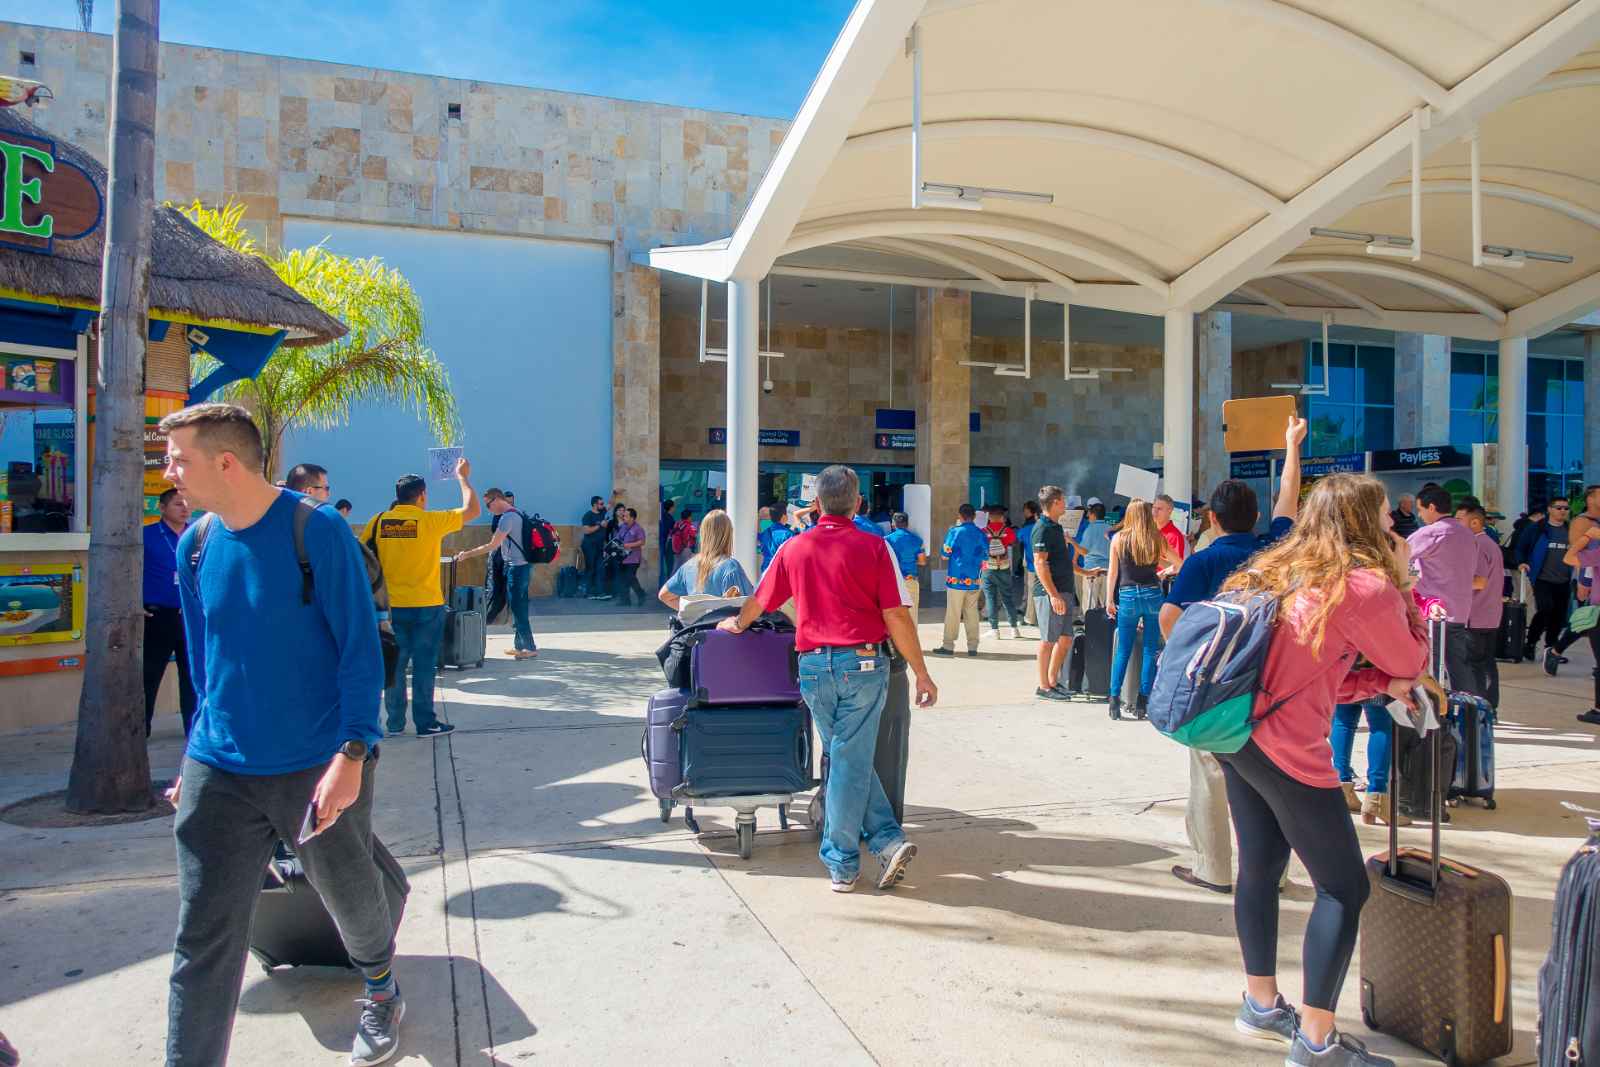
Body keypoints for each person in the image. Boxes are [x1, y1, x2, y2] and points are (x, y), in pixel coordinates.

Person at [157, 403, 404, 1066]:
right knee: (202, 934)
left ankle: (381, 988)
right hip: (221, 768)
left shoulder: (316, 531)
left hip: (315, 762)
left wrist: (353, 751)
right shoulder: (196, 543)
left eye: (178, 457)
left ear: (225, 461)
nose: (168, 471)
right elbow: (205, 662)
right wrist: (193, 754)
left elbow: (360, 649)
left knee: (351, 896)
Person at [1215, 473, 1428, 1067]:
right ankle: (1315, 1041)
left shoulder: (1278, 569)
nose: (1395, 526)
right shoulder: (1364, 585)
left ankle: (1260, 1001)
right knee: (1343, 886)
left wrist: (1376, 683)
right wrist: (1405, 581)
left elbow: (1312, 676)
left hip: (1235, 733)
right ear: (1365, 522)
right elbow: (1411, 657)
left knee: (1259, 865)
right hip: (1289, 749)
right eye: (1387, 516)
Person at [715, 465, 936, 892]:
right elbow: (896, 615)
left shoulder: (794, 547)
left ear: (816, 504)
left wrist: (737, 626)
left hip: (814, 666)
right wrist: (922, 672)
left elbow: (762, 599)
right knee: (849, 759)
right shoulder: (874, 547)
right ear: (857, 503)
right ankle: (850, 858)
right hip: (864, 665)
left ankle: (877, 846)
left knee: (844, 758)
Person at [1161, 414, 1305, 895]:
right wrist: (1291, 445)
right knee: (1271, 780)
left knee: (1210, 774)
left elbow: (1169, 617)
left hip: (1218, 687)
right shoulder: (1275, 549)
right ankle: (1273, 872)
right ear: (1256, 518)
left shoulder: (1203, 562)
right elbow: (1289, 496)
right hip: (1273, 682)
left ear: (1213, 518)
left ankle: (1213, 868)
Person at [362, 465, 480, 737]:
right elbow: (472, 510)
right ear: (422, 496)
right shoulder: (430, 522)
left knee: (394, 665)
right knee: (425, 665)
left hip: (389, 608)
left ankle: (394, 723)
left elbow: (362, 554)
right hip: (427, 605)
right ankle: (426, 723)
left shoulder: (379, 522)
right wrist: (462, 477)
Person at [1407, 484, 1486, 697]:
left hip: (1432, 612)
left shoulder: (1430, 533)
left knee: (1427, 669)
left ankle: (1432, 715)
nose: (1421, 516)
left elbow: (1398, 558)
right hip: (1460, 611)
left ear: (1431, 507)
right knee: (1459, 666)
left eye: (1421, 510)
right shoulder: (1468, 534)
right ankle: (1469, 712)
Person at [1105, 498, 1179, 719]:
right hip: (1152, 595)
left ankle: (1114, 700)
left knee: (1123, 649)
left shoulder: (1118, 538)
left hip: (1127, 595)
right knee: (1149, 649)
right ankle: (1142, 702)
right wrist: (1164, 572)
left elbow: (1113, 573)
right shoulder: (1155, 538)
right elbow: (1181, 563)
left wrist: (1110, 599)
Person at [452, 489, 536, 660]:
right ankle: (519, 646)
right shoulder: (517, 512)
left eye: (488, 505)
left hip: (516, 568)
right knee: (518, 606)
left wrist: (467, 554)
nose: (488, 509)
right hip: (523, 566)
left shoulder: (507, 518)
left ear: (497, 499)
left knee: (518, 608)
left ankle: (529, 646)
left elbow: (492, 545)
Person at [1542, 485, 1600, 726]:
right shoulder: (1583, 522)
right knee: (1583, 622)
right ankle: (1555, 650)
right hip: (1589, 580)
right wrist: (1584, 581)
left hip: (1593, 582)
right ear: (1590, 498)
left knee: (1585, 624)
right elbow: (1579, 556)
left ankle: (1555, 651)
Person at [143, 487, 197, 736]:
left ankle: (193, 728)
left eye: (187, 503)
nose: (184, 508)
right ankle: (141, 727)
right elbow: (127, 572)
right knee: (150, 675)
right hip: (158, 615)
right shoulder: (147, 535)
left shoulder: (198, 534)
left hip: (190, 616)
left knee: (193, 675)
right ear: (162, 508)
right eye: (177, 504)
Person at [1031, 486, 1077, 702]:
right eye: (1063, 500)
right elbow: (1040, 564)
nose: (1066, 504)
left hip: (1065, 591)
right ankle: (1043, 687)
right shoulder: (1042, 528)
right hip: (1050, 593)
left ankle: (1052, 681)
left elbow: (1062, 562)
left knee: (1066, 639)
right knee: (1048, 641)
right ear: (1056, 502)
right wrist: (1053, 595)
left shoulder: (1056, 528)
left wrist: (1086, 571)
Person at [1457, 496, 1503, 707]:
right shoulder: (1490, 544)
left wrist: (1451, 583)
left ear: (1474, 522)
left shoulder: (1477, 544)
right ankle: (1490, 706)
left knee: (1475, 665)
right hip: (1490, 614)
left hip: (1476, 614)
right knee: (1487, 663)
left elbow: (1479, 581)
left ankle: (1480, 707)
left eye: (1459, 520)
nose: (1456, 524)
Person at [658, 509, 754, 610]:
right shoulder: (730, 567)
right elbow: (745, 608)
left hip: (696, 624)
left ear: (703, 533)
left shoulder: (688, 566)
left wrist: (694, 611)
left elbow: (664, 596)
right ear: (728, 535)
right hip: (721, 625)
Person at [1520, 496, 1574, 662]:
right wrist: (1522, 562)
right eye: (1559, 508)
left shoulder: (1570, 529)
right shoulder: (1537, 528)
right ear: (1549, 509)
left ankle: (1551, 648)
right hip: (1542, 578)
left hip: (1564, 580)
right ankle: (1530, 643)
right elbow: (1521, 546)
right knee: (1545, 609)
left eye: (1566, 508)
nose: (1563, 511)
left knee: (1559, 615)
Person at [931, 503, 988, 657]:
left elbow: (945, 554)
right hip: (974, 579)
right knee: (972, 612)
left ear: (960, 516)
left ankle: (948, 646)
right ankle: (973, 647)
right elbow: (985, 556)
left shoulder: (954, 532)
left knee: (953, 613)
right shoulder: (981, 533)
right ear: (974, 517)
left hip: (956, 579)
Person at [980, 504, 1022, 639]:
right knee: (1007, 598)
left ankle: (994, 630)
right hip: (1004, 567)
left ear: (989, 517)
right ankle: (1014, 629)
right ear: (1002, 517)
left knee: (990, 598)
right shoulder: (1008, 530)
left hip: (988, 568)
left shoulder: (983, 531)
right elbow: (1014, 542)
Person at [883, 512, 927, 617]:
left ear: (893, 523)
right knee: (912, 615)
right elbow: (922, 561)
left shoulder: (886, 540)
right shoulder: (917, 540)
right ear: (907, 523)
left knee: (894, 615)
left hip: (893, 581)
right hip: (910, 580)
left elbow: (884, 562)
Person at [1074, 502, 1113, 612]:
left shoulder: (1090, 529)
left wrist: (1071, 541)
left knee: (1089, 605)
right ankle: (1106, 628)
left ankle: (1089, 628)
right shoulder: (1110, 529)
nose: (1087, 516)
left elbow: (1084, 551)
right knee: (1106, 605)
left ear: (1093, 515)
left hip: (1091, 571)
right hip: (1108, 570)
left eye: (1089, 514)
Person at [611, 507, 649, 606]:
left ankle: (641, 594)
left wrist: (628, 545)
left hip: (633, 558)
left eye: (626, 516)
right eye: (623, 515)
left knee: (630, 577)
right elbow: (618, 538)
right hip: (622, 558)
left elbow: (642, 541)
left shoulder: (638, 529)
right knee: (622, 579)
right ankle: (625, 600)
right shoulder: (623, 526)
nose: (624, 517)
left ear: (632, 518)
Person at [580, 495, 609, 599]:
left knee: (600, 568)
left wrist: (614, 494)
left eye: (602, 503)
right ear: (594, 504)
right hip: (589, 546)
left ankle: (600, 592)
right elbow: (586, 531)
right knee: (590, 568)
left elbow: (610, 505)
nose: (603, 505)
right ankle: (587, 592)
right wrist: (600, 525)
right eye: (601, 504)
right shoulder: (588, 516)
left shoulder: (602, 513)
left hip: (599, 546)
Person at [1018, 499, 1041, 625]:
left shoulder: (1027, 529)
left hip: (1032, 565)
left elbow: (1018, 538)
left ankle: (1030, 617)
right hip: (1047, 565)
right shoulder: (1050, 528)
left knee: (1032, 589)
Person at [1152, 493, 1187, 570]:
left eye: (1159, 509)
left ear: (1169, 511)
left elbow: (1177, 567)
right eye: (1154, 507)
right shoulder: (1149, 530)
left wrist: (1153, 557)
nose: (1155, 511)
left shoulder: (1175, 536)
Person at [758, 506, 796, 573]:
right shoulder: (788, 534)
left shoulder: (765, 532)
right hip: (780, 570)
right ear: (784, 516)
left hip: (766, 570)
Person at [670, 507, 698, 572]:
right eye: (691, 517)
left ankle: (672, 581)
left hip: (676, 550)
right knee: (689, 569)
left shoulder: (677, 524)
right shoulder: (690, 526)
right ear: (689, 517)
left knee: (676, 569)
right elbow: (695, 535)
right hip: (685, 550)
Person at [658, 498, 677, 587]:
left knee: (666, 563)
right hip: (667, 543)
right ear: (671, 507)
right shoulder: (669, 518)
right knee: (669, 563)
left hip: (663, 543)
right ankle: (669, 584)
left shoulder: (663, 516)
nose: (675, 508)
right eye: (674, 506)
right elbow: (670, 532)